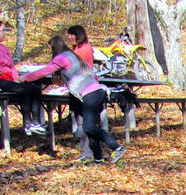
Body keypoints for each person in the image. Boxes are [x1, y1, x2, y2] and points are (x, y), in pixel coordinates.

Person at [20, 36, 126, 164]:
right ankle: (98, 158)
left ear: (54, 47)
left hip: (90, 94)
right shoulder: (73, 56)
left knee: (89, 127)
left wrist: (25, 78)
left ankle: (116, 147)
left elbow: (45, 71)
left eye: (50, 49)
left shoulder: (62, 58)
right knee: (89, 129)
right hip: (95, 91)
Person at [0, 19, 44, 135]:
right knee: (26, 89)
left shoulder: (4, 48)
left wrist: (17, 78)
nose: (5, 33)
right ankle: (27, 123)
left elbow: (11, 66)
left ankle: (36, 122)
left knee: (35, 88)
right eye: (3, 30)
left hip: (9, 80)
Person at [65, 25, 95, 161]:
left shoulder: (85, 49)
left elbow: (73, 64)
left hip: (86, 88)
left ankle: (90, 153)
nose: (70, 37)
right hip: (76, 88)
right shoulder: (75, 49)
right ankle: (85, 152)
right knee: (79, 121)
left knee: (85, 122)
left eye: (72, 34)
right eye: (68, 35)